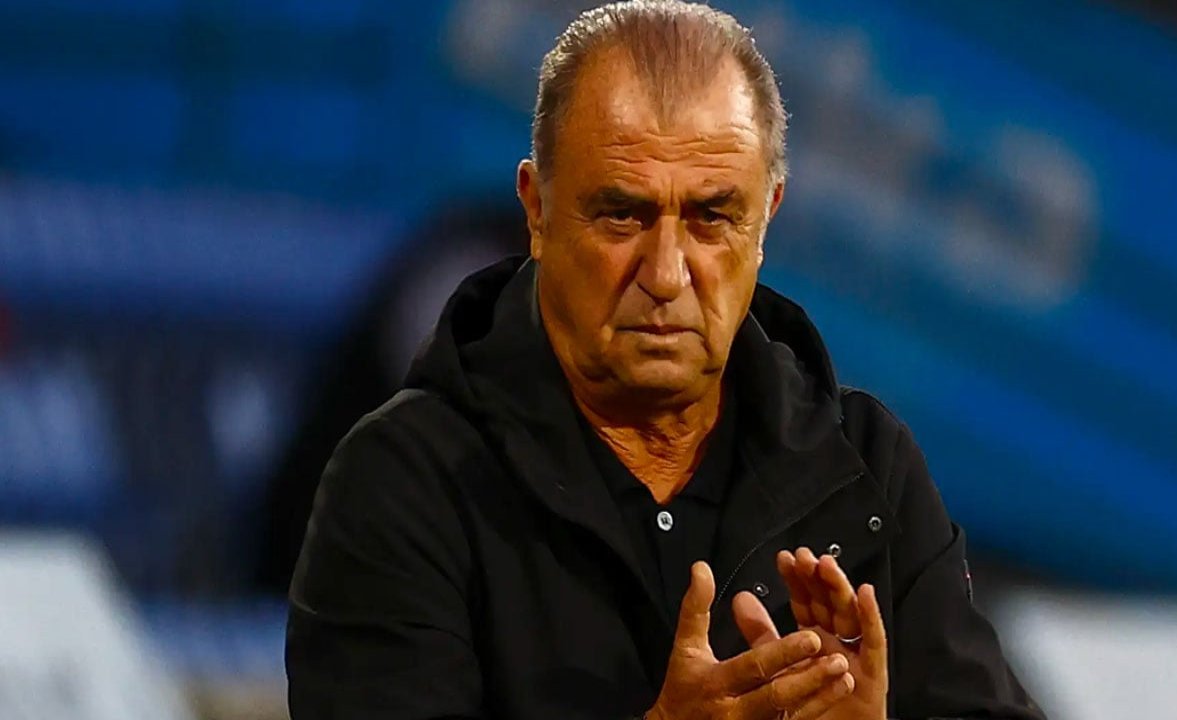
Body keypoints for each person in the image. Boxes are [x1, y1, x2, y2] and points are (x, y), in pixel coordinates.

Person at [286, 2, 1045, 719]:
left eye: (712, 217)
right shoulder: (403, 483)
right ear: (537, 210)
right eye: (623, 214)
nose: (667, 274)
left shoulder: (869, 467)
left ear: (767, 218)